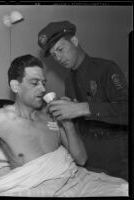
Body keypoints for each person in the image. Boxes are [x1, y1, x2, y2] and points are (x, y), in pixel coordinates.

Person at [0, 54, 128, 197]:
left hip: (71, 180)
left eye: (43, 83)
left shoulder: (51, 114)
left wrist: (68, 124)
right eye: (34, 83)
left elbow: (81, 160)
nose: (43, 89)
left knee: (123, 189)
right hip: (32, 187)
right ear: (15, 86)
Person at [38, 20, 128, 180]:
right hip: (88, 160)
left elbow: (126, 109)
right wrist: (65, 114)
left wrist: (82, 108)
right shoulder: (68, 80)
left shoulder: (106, 69)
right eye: (53, 55)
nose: (58, 58)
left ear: (74, 41)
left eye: (60, 49)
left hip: (117, 160)